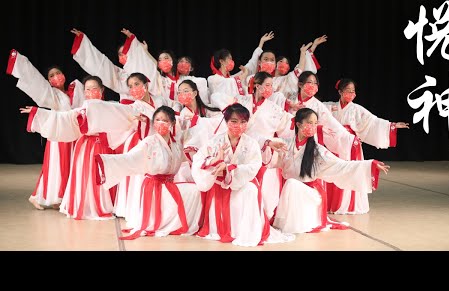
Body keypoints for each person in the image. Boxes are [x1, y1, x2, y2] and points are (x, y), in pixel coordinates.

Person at [271, 107, 390, 233]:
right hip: (292, 192)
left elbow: (342, 165)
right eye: (309, 123)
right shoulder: (286, 144)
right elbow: (265, 144)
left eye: (315, 123)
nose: (313, 126)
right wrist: (268, 143)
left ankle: (296, 222)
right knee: (290, 184)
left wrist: (370, 165)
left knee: (291, 183)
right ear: (298, 124)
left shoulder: (318, 150)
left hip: (310, 193)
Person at [191, 103, 294, 247]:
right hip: (221, 185)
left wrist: (228, 169)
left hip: (243, 182)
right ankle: (224, 229)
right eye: (234, 121)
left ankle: (247, 231)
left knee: (251, 190)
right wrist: (215, 161)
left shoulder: (251, 143)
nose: (238, 125)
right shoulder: (215, 141)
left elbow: (253, 166)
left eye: (243, 122)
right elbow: (199, 160)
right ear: (226, 122)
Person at [95, 106, 203, 240]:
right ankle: (170, 222)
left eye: (164, 120)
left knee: (196, 190)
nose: (160, 123)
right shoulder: (149, 142)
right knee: (192, 191)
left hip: (168, 185)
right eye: (157, 120)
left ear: (172, 123)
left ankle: (182, 222)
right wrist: (105, 161)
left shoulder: (175, 144)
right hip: (154, 187)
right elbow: (130, 157)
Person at [20, 76, 115, 220]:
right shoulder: (83, 109)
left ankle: (107, 204)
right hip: (86, 147)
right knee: (87, 177)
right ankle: (86, 204)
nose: (90, 92)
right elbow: (63, 117)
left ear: (102, 90)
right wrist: (37, 113)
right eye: (87, 89)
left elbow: (123, 114)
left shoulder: (111, 106)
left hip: (106, 147)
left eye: (94, 88)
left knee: (104, 176)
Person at [7, 48, 85, 210]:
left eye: (58, 73)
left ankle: (58, 196)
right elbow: (34, 79)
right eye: (51, 76)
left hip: (73, 134)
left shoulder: (75, 89)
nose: (56, 77)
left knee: (68, 166)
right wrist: (19, 62)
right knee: (56, 167)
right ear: (48, 82)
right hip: (58, 135)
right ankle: (41, 196)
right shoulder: (52, 95)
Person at [322, 78, 409, 214]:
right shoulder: (330, 106)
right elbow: (315, 107)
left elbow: (373, 121)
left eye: (353, 91)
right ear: (340, 92)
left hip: (351, 144)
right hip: (334, 144)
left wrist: (392, 125)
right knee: (335, 169)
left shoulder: (356, 109)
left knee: (352, 170)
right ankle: (331, 204)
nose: (351, 94)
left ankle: (350, 205)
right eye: (348, 91)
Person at [207, 32, 275, 98]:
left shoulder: (231, 77)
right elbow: (228, 83)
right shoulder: (212, 79)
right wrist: (244, 74)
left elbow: (251, 64)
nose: (232, 61)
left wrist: (261, 43)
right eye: (230, 59)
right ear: (221, 61)